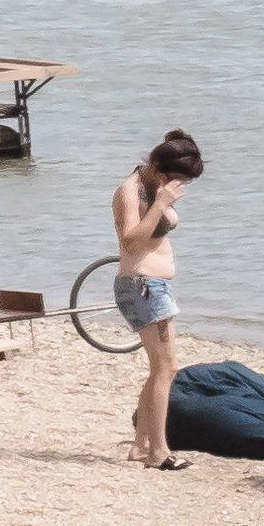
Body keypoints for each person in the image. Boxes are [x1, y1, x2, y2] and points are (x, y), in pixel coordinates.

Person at [109, 130, 200, 470]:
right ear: (158, 167)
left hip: (153, 285)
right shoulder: (129, 191)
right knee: (167, 367)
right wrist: (161, 204)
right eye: (175, 179)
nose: (176, 186)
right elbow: (131, 241)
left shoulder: (151, 188)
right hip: (143, 285)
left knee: (159, 368)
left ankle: (140, 445)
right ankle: (159, 452)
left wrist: (161, 200)